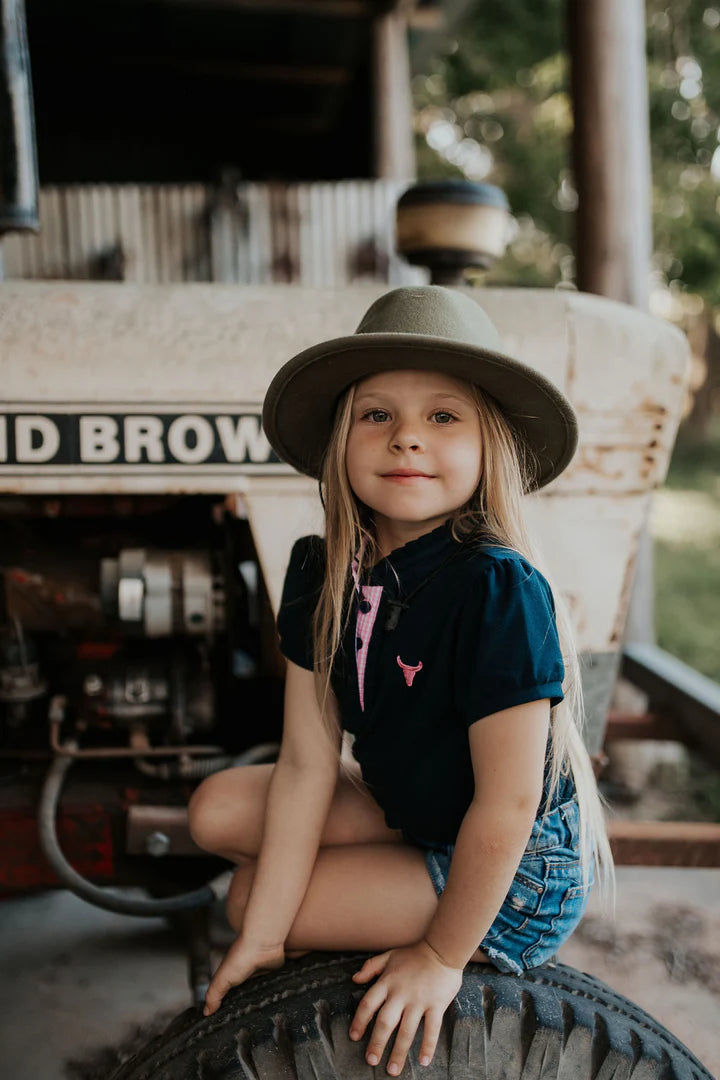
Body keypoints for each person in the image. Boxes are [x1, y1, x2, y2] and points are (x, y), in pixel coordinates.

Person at [188, 285, 614, 1076]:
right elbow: (307, 764)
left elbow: (508, 803)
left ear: (490, 448)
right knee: (216, 814)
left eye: (443, 417)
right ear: (339, 442)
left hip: (516, 866)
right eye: (376, 414)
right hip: (417, 809)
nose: (406, 437)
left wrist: (440, 957)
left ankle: (439, 928)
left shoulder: (495, 587)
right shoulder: (321, 570)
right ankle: (330, 910)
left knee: (244, 895)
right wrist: (265, 940)